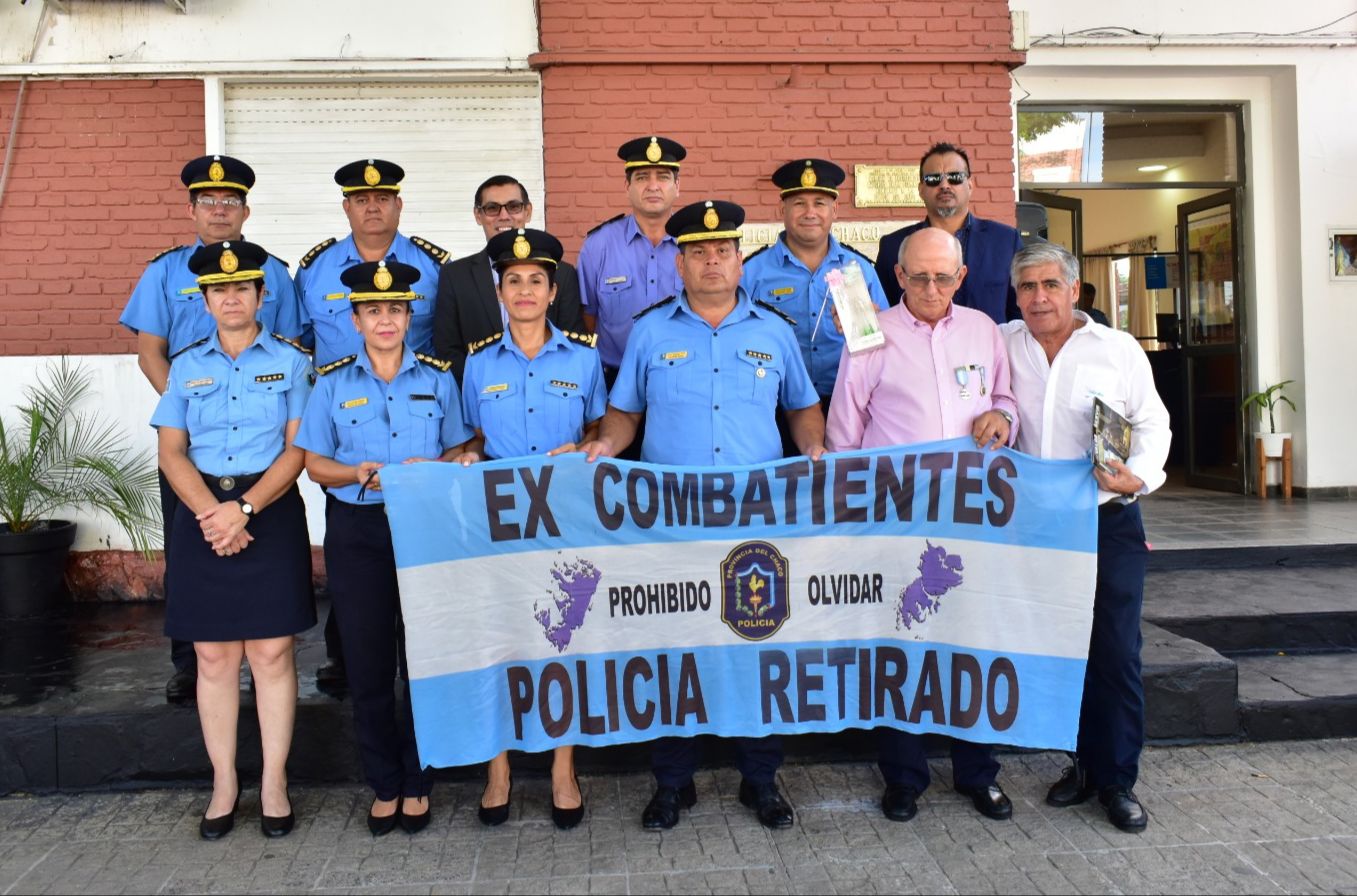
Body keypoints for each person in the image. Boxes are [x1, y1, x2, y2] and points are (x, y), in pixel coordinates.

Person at [581, 200, 826, 831]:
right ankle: (672, 783)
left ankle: (762, 780)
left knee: (758, 645)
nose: (711, 260)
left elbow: (801, 406)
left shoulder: (773, 331)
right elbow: (625, 412)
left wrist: (817, 450)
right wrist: (604, 445)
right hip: (673, 519)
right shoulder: (651, 331)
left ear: (740, 259)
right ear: (680, 262)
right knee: (674, 649)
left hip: (757, 518)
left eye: (722, 250)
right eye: (697, 251)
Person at [826, 227, 1018, 824]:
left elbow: (1008, 400)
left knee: (971, 646)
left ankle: (977, 772)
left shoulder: (984, 331)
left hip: (969, 520)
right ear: (899, 277)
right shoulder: (870, 336)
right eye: (918, 276)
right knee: (901, 646)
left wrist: (1001, 417)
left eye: (943, 276)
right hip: (894, 521)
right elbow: (844, 431)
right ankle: (904, 777)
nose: (930, 287)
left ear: (961, 278)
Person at [294, 260, 472, 837]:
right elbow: (313, 462)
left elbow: (461, 450)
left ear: (408, 315)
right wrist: (351, 473)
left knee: (422, 657)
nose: (385, 320)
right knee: (369, 662)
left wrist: (437, 467)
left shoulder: (439, 379)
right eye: (373, 310)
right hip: (358, 531)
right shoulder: (332, 382)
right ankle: (384, 782)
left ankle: (419, 779)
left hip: (425, 530)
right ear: (355, 319)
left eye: (395, 309)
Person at [120, 154, 305, 704]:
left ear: (245, 210)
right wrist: (190, 412)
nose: (219, 210)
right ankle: (188, 662)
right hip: (193, 444)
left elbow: (296, 348)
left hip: (261, 449)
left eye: (230, 202)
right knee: (190, 557)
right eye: (209, 201)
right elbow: (150, 352)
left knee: (267, 575)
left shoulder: (272, 271)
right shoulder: (164, 271)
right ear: (192, 208)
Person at [1000, 241, 1171, 833]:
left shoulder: (1117, 349)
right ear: (1015, 294)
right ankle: (1080, 765)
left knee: (1116, 651)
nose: (1039, 297)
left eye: (1050, 285)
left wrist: (1139, 474)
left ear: (1075, 290)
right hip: (1036, 527)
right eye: (1027, 287)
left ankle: (1118, 780)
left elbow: (1153, 422)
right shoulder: (1002, 346)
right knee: (1061, 649)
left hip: (1108, 519)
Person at [150, 240, 315, 840]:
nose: (232, 298)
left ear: (260, 295)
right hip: (202, 513)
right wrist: (213, 516)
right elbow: (171, 450)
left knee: (271, 653)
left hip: (267, 508)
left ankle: (273, 782)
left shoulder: (294, 362)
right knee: (213, 656)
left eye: (242, 288)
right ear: (206, 299)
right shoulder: (187, 364)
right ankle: (224, 783)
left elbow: (298, 450)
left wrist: (243, 509)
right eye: (220, 290)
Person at [454, 228, 606, 831]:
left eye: (535, 281)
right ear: (500, 292)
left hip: (565, 519)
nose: (524, 290)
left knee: (560, 641)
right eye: (512, 281)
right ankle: (499, 769)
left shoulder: (585, 357)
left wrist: (586, 448)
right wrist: (465, 456)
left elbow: (603, 433)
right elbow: (467, 439)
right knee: (501, 642)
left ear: (551, 292)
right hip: (500, 521)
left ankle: (563, 768)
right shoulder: (476, 362)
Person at [294, 158, 450, 694]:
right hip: (343, 430)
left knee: (424, 620)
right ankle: (348, 655)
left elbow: (446, 346)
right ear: (347, 207)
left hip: (419, 428)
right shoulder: (315, 270)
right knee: (356, 581)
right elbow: (299, 347)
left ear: (399, 204)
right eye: (361, 199)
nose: (372, 206)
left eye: (382, 198)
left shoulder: (434, 268)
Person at [741, 158, 889, 410]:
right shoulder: (752, 271)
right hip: (776, 403)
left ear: (835, 210)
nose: (810, 213)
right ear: (782, 210)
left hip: (847, 402)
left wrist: (876, 326)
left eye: (819, 203)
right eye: (799, 203)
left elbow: (887, 340)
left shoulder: (859, 269)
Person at [431, 175, 585, 380]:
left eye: (513, 206)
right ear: (478, 215)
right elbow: (447, 348)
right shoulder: (455, 275)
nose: (504, 216)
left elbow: (571, 345)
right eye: (492, 208)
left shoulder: (562, 273)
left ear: (527, 211)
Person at [874, 142, 1025, 324]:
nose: (944, 185)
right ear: (921, 189)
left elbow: (1020, 311)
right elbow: (884, 313)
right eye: (933, 179)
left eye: (955, 177)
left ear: (969, 185)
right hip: (917, 350)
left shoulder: (1005, 241)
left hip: (986, 349)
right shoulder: (894, 246)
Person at [576, 136, 686, 385]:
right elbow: (588, 321)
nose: (653, 185)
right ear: (626, 186)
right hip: (615, 380)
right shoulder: (598, 246)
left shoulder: (695, 246)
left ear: (678, 186)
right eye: (642, 177)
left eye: (663, 177)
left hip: (682, 378)